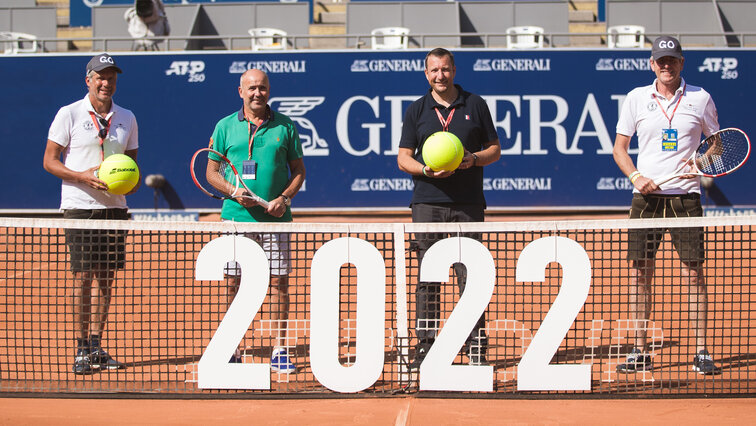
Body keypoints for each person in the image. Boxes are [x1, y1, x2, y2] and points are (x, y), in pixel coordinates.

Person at [613, 36, 721, 375]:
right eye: (660, 60)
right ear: (651, 64)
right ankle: (639, 349)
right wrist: (636, 177)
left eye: (671, 60)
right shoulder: (636, 98)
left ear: (681, 62)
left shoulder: (700, 98)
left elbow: (716, 144)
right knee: (640, 274)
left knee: (694, 274)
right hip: (645, 200)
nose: (666, 65)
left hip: (686, 197)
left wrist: (700, 163)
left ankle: (701, 351)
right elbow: (620, 149)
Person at [397, 48, 501, 369]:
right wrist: (426, 171)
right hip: (427, 202)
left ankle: (476, 347)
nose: (439, 76)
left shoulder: (476, 104)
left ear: (454, 70)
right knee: (428, 277)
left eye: (445, 69)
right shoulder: (417, 110)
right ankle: (426, 347)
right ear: (425, 73)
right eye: (433, 71)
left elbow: (494, 150)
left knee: (470, 277)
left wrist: (473, 159)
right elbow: (403, 158)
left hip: (468, 203)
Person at [43, 53, 139, 375]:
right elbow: (50, 161)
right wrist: (83, 177)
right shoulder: (68, 114)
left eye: (110, 77)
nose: (105, 82)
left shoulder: (127, 117)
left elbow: (131, 166)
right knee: (83, 278)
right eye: (100, 76)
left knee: (106, 281)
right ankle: (81, 348)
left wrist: (129, 184)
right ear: (89, 80)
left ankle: (96, 346)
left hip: (115, 209)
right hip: (80, 207)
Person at [207, 68, 305, 373]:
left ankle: (279, 348)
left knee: (279, 281)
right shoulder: (224, 127)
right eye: (251, 88)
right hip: (236, 219)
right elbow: (211, 173)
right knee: (233, 282)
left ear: (269, 91)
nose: (257, 93)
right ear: (241, 92)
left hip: (275, 220)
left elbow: (299, 172)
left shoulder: (286, 126)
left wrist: (285, 198)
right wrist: (234, 192)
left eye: (262, 88)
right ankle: (232, 346)